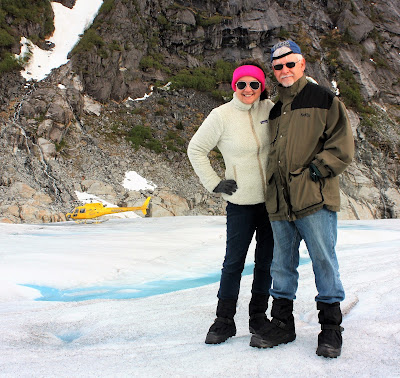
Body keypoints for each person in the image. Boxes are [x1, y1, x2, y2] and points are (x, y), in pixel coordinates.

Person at [249, 40, 354, 358]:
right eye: (278, 66)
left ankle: (331, 329)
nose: (284, 70)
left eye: (289, 64)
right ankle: (283, 324)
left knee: (324, 262)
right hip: (280, 203)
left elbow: (342, 144)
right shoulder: (277, 108)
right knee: (281, 266)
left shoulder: (323, 98)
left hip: (315, 199)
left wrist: (315, 172)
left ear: (302, 64)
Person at [187, 60, 275, 344]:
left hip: (272, 202)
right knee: (233, 262)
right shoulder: (221, 115)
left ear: (261, 86)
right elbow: (196, 149)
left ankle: (258, 318)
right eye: (241, 84)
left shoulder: (271, 109)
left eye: (254, 84)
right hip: (240, 203)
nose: (247, 89)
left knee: (266, 262)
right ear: (233, 86)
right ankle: (224, 321)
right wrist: (214, 183)